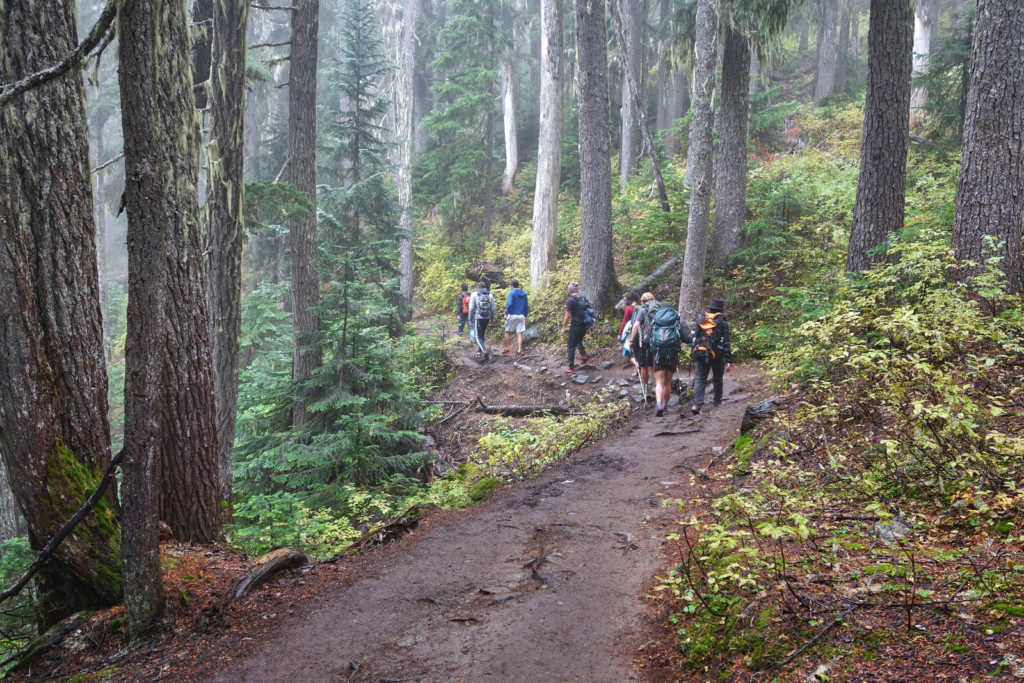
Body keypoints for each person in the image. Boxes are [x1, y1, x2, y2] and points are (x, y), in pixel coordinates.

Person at [647, 302, 690, 416]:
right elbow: (686, 338)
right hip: (672, 355)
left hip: (658, 355)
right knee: (667, 382)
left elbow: (647, 340)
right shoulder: (676, 322)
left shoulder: (655, 322)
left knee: (659, 382)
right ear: (672, 310)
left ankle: (659, 404)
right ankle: (665, 407)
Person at [690, 298, 732, 414]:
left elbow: (694, 337)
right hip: (717, 355)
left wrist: (693, 352)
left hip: (700, 353)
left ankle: (696, 404)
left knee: (700, 378)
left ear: (711, 309)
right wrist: (728, 359)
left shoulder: (702, 319)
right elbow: (726, 342)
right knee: (717, 377)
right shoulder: (722, 322)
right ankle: (717, 401)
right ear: (720, 310)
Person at [629, 292, 659, 393]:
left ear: (643, 301)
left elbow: (636, 325)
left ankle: (645, 386)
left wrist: (631, 340)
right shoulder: (659, 308)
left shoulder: (642, 310)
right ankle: (657, 386)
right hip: (658, 340)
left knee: (643, 364)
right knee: (654, 363)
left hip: (645, 340)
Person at [561, 283, 590, 374]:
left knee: (570, 345)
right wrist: (591, 325)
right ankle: (584, 356)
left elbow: (567, 315)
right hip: (584, 325)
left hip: (576, 325)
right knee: (578, 341)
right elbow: (589, 312)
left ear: (570, 291)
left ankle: (571, 368)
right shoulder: (583, 298)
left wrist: (564, 327)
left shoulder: (570, 300)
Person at [468, 280, 496, 361]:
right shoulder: (490, 295)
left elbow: (472, 308)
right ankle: (479, 352)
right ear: (485, 287)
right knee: (482, 334)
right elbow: (493, 309)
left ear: (478, 287)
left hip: (478, 317)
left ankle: (483, 350)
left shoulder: (474, 294)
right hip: (487, 317)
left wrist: (470, 319)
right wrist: (492, 319)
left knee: (477, 336)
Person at [502, 278, 529, 356]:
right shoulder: (524, 294)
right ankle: (519, 350)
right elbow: (526, 306)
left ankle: (507, 349)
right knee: (519, 333)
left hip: (512, 315)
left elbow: (509, 304)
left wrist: (506, 314)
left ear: (511, 286)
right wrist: (525, 315)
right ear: (518, 285)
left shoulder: (511, 293)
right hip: (521, 315)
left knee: (507, 331)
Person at [619, 290, 640, 362]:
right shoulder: (640, 307)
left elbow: (624, 322)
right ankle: (638, 370)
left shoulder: (628, 308)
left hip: (631, 332)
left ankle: (637, 365)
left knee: (629, 353)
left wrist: (620, 334)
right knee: (638, 351)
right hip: (640, 332)